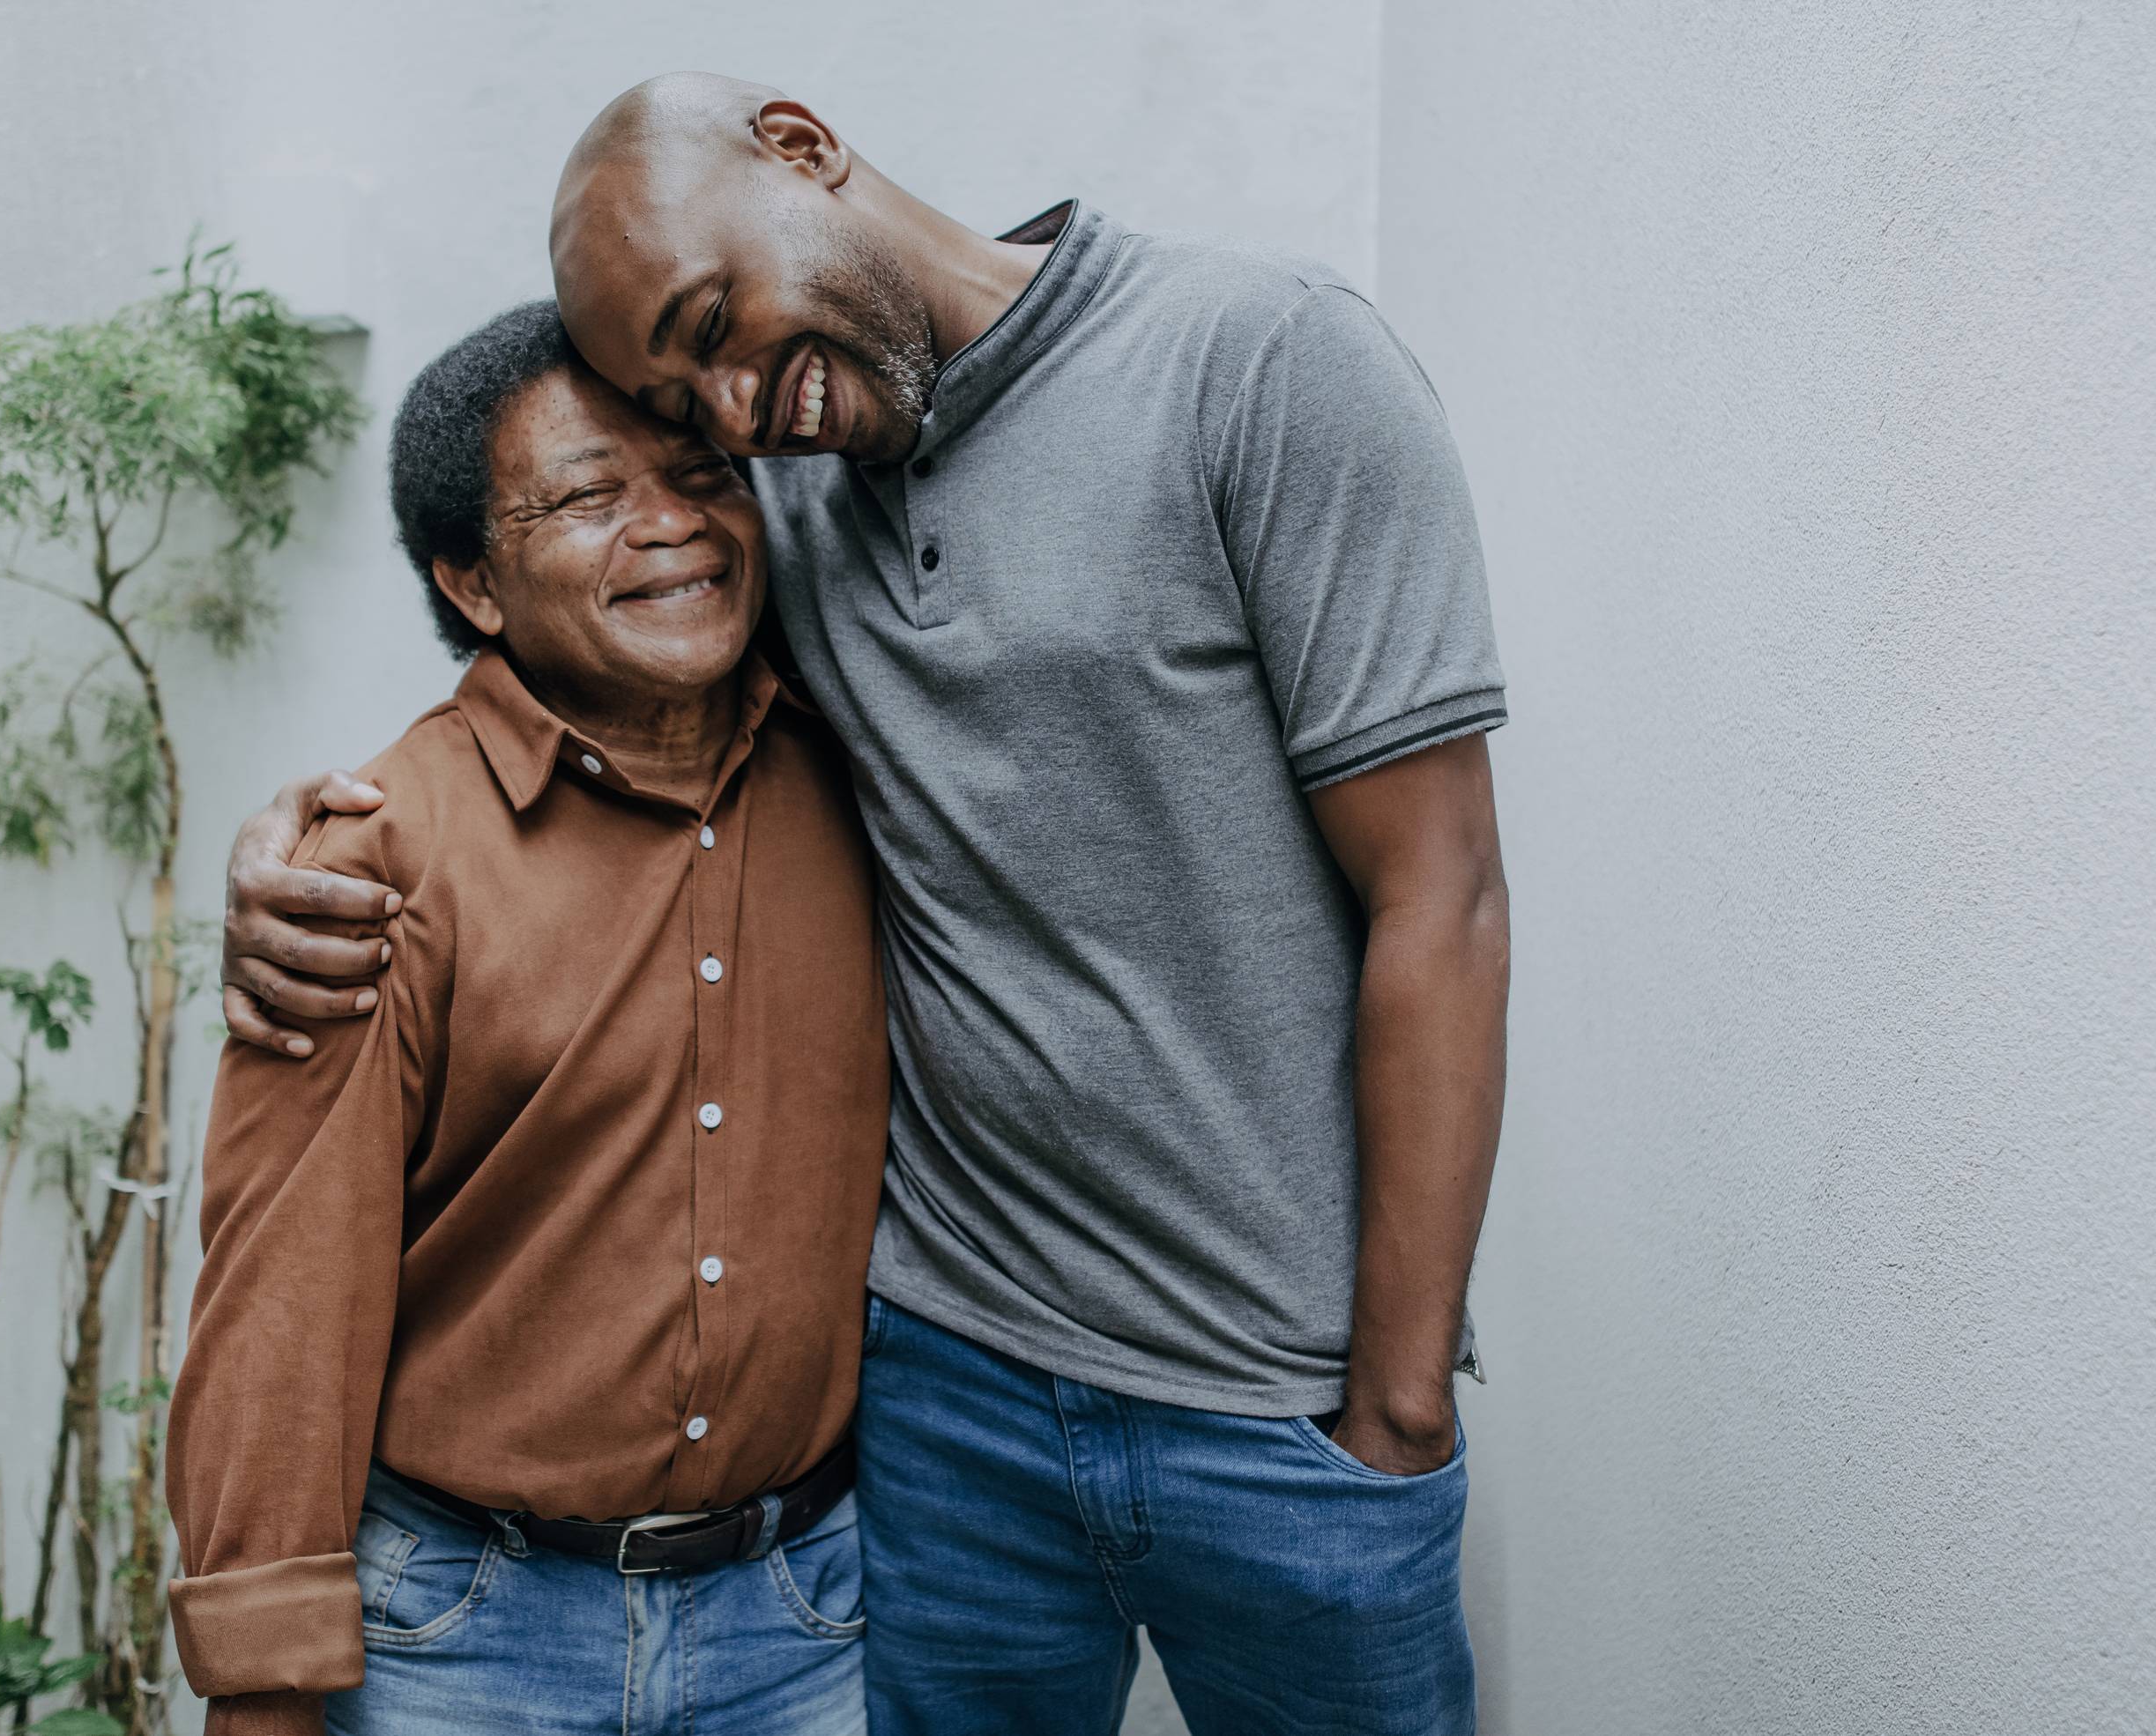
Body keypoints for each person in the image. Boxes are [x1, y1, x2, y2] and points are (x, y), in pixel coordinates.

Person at [224, 73, 1512, 1736]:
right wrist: (304, 847)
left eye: (714, 328)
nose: (733, 414)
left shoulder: (1257, 361)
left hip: (1277, 1407)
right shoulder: (781, 500)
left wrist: (1397, 1410)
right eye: (682, 402)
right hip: (947, 1402)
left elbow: (1443, 896)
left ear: (801, 146)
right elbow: (576, 672)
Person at [167, 300, 886, 1736]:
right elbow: (282, 1309)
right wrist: (263, 1686)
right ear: (474, 583)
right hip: (465, 1641)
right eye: (587, 497)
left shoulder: (868, 770)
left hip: (805, 1624)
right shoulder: (375, 862)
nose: (671, 526)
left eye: (701, 475)